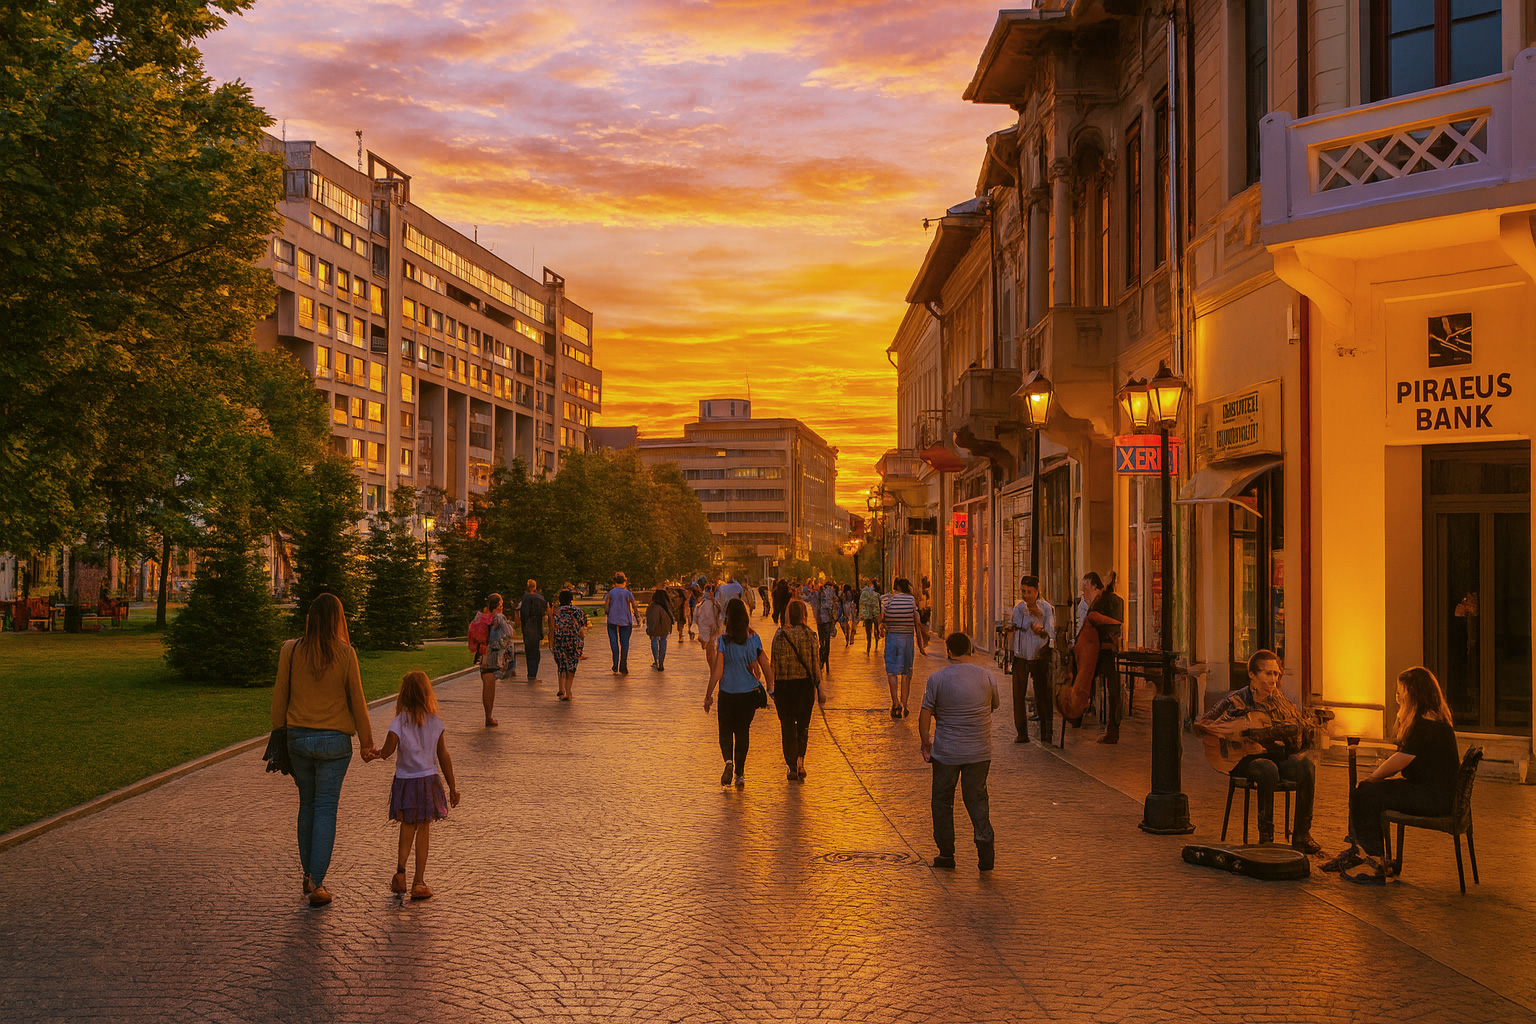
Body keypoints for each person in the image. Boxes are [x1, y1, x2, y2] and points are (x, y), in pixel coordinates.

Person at [270, 593, 376, 907]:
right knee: (325, 809)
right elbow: (357, 700)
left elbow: (280, 697)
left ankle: (309, 873)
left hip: (299, 739)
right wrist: (367, 743)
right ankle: (318, 882)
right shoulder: (345, 653)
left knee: (307, 805)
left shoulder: (290, 650)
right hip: (334, 743)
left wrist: (279, 734)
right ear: (337, 619)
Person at [1330, 667, 1461, 883]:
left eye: (1401, 692)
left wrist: (1374, 777)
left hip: (1432, 798)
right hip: (1437, 794)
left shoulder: (1425, 725)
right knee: (1370, 791)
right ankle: (1372, 855)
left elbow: (1398, 762)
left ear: (1413, 693)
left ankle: (1373, 862)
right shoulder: (1434, 721)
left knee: (1365, 793)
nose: (1398, 698)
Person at [1195, 650, 1323, 854]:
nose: (1274, 679)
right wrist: (1235, 731)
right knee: (1267, 769)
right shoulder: (1236, 700)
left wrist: (1308, 729)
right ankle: (1266, 837)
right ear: (1252, 675)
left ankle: (1301, 836)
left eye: (1276, 674)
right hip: (1245, 759)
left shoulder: (1280, 700)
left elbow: (1295, 728)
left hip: (1276, 755)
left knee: (1306, 766)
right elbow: (1203, 723)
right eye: (1268, 674)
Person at [372, 670, 460, 901]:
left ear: (403, 696)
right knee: (424, 829)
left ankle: (400, 872)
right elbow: (444, 756)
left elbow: (388, 751)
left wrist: (376, 753)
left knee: (407, 826)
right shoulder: (435, 723)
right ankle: (418, 882)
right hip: (428, 781)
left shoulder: (399, 722)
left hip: (405, 781)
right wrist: (452, 786)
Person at [919, 632, 1001, 871]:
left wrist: (926, 742)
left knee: (942, 800)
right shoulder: (987, 677)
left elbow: (925, 713)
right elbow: (993, 706)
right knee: (977, 798)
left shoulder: (937, 679)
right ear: (971, 651)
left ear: (949, 652)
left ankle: (946, 853)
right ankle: (985, 851)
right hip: (979, 751)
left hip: (946, 753)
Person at [704, 598, 773, 787]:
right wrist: (771, 687)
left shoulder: (723, 641)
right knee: (742, 732)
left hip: (727, 693)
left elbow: (718, 671)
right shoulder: (754, 639)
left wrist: (708, 694)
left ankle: (728, 762)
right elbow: (765, 664)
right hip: (748, 694)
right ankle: (740, 774)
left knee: (725, 732)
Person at [771, 600, 824, 781]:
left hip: (784, 686)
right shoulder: (811, 636)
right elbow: (815, 665)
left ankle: (792, 766)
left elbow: (774, 664)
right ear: (804, 615)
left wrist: (772, 690)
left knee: (787, 726)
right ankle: (801, 761)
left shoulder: (779, 635)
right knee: (803, 725)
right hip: (804, 686)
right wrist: (820, 688)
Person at [1009, 575, 1055, 744]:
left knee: (1043, 695)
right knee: (1018, 695)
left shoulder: (1046, 608)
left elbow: (1050, 632)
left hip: (1038, 655)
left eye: (1029, 591)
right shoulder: (1018, 608)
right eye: (1023, 591)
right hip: (1020, 655)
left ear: (1036, 591)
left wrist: (1040, 631)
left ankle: (1046, 732)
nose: (1026, 595)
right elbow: (1014, 626)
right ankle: (1021, 732)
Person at [879, 577, 922, 718]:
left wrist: (882, 627)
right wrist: (921, 645)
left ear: (896, 587)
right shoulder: (911, 600)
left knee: (892, 672)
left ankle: (895, 703)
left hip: (892, 638)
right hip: (907, 639)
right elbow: (917, 623)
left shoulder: (889, 600)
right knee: (906, 672)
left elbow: (882, 617)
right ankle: (904, 703)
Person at [478, 593, 515, 727]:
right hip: (493, 655)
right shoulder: (499, 617)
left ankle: (488, 715)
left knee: (486, 685)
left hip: (483, 654)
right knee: (490, 687)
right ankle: (489, 717)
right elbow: (508, 633)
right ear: (499, 605)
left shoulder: (484, 617)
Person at [549, 589, 586, 700]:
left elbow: (552, 627)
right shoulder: (578, 611)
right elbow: (581, 629)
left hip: (559, 640)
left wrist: (551, 642)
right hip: (573, 641)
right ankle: (568, 691)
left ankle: (561, 689)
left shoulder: (555, 611)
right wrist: (581, 640)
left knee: (561, 665)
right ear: (571, 599)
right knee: (571, 666)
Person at [603, 572, 640, 676]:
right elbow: (634, 606)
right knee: (625, 644)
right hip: (625, 621)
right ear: (624, 582)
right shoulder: (628, 593)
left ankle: (615, 664)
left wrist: (608, 612)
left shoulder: (610, 593)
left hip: (612, 620)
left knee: (614, 643)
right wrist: (637, 618)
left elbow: (606, 607)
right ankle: (623, 665)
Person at [518, 580, 548, 683]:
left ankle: (531, 674)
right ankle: (532, 674)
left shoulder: (525, 598)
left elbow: (523, 615)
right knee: (535, 652)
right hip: (536, 627)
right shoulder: (540, 598)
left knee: (529, 652)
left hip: (528, 627)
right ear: (535, 587)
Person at [694, 582, 723, 674]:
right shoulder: (711, 601)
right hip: (713, 626)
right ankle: (713, 669)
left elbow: (698, 615)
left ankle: (713, 669)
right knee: (711, 649)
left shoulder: (705, 601)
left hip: (710, 626)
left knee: (710, 649)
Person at [812, 579, 839, 678]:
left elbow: (814, 605)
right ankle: (825, 660)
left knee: (821, 641)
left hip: (820, 621)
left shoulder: (819, 593)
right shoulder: (831, 592)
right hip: (827, 620)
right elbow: (833, 604)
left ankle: (822, 660)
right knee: (827, 642)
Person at [646, 587, 675, 670]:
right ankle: (661, 660)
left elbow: (652, 619)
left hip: (656, 626)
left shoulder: (653, 606)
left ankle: (656, 660)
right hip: (665, 626)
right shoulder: (666, 605)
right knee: (663, 641)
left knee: (654, 640)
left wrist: (650, 630)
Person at [859, 578, 882, 654]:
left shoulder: (864, 594)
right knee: (876, 629)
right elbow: (879, 606)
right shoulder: (877, 595)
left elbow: (861, 603)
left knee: (868, 632)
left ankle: (868, 648)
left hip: (867, 615)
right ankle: (876, 644)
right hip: (875, 614)